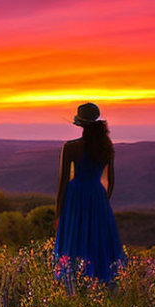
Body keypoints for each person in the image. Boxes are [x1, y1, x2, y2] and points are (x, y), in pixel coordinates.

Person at [53, 102, 126, 289]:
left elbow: (62, 183)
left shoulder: (70, 147)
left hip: (75, 197)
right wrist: (102, 203)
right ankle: (100, 281)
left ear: (80, 124)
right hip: (97, 197)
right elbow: (111, 180)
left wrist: (58, 213)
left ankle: (74, 283)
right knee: (97, 240)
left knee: (74, 239)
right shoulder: (106, 148)